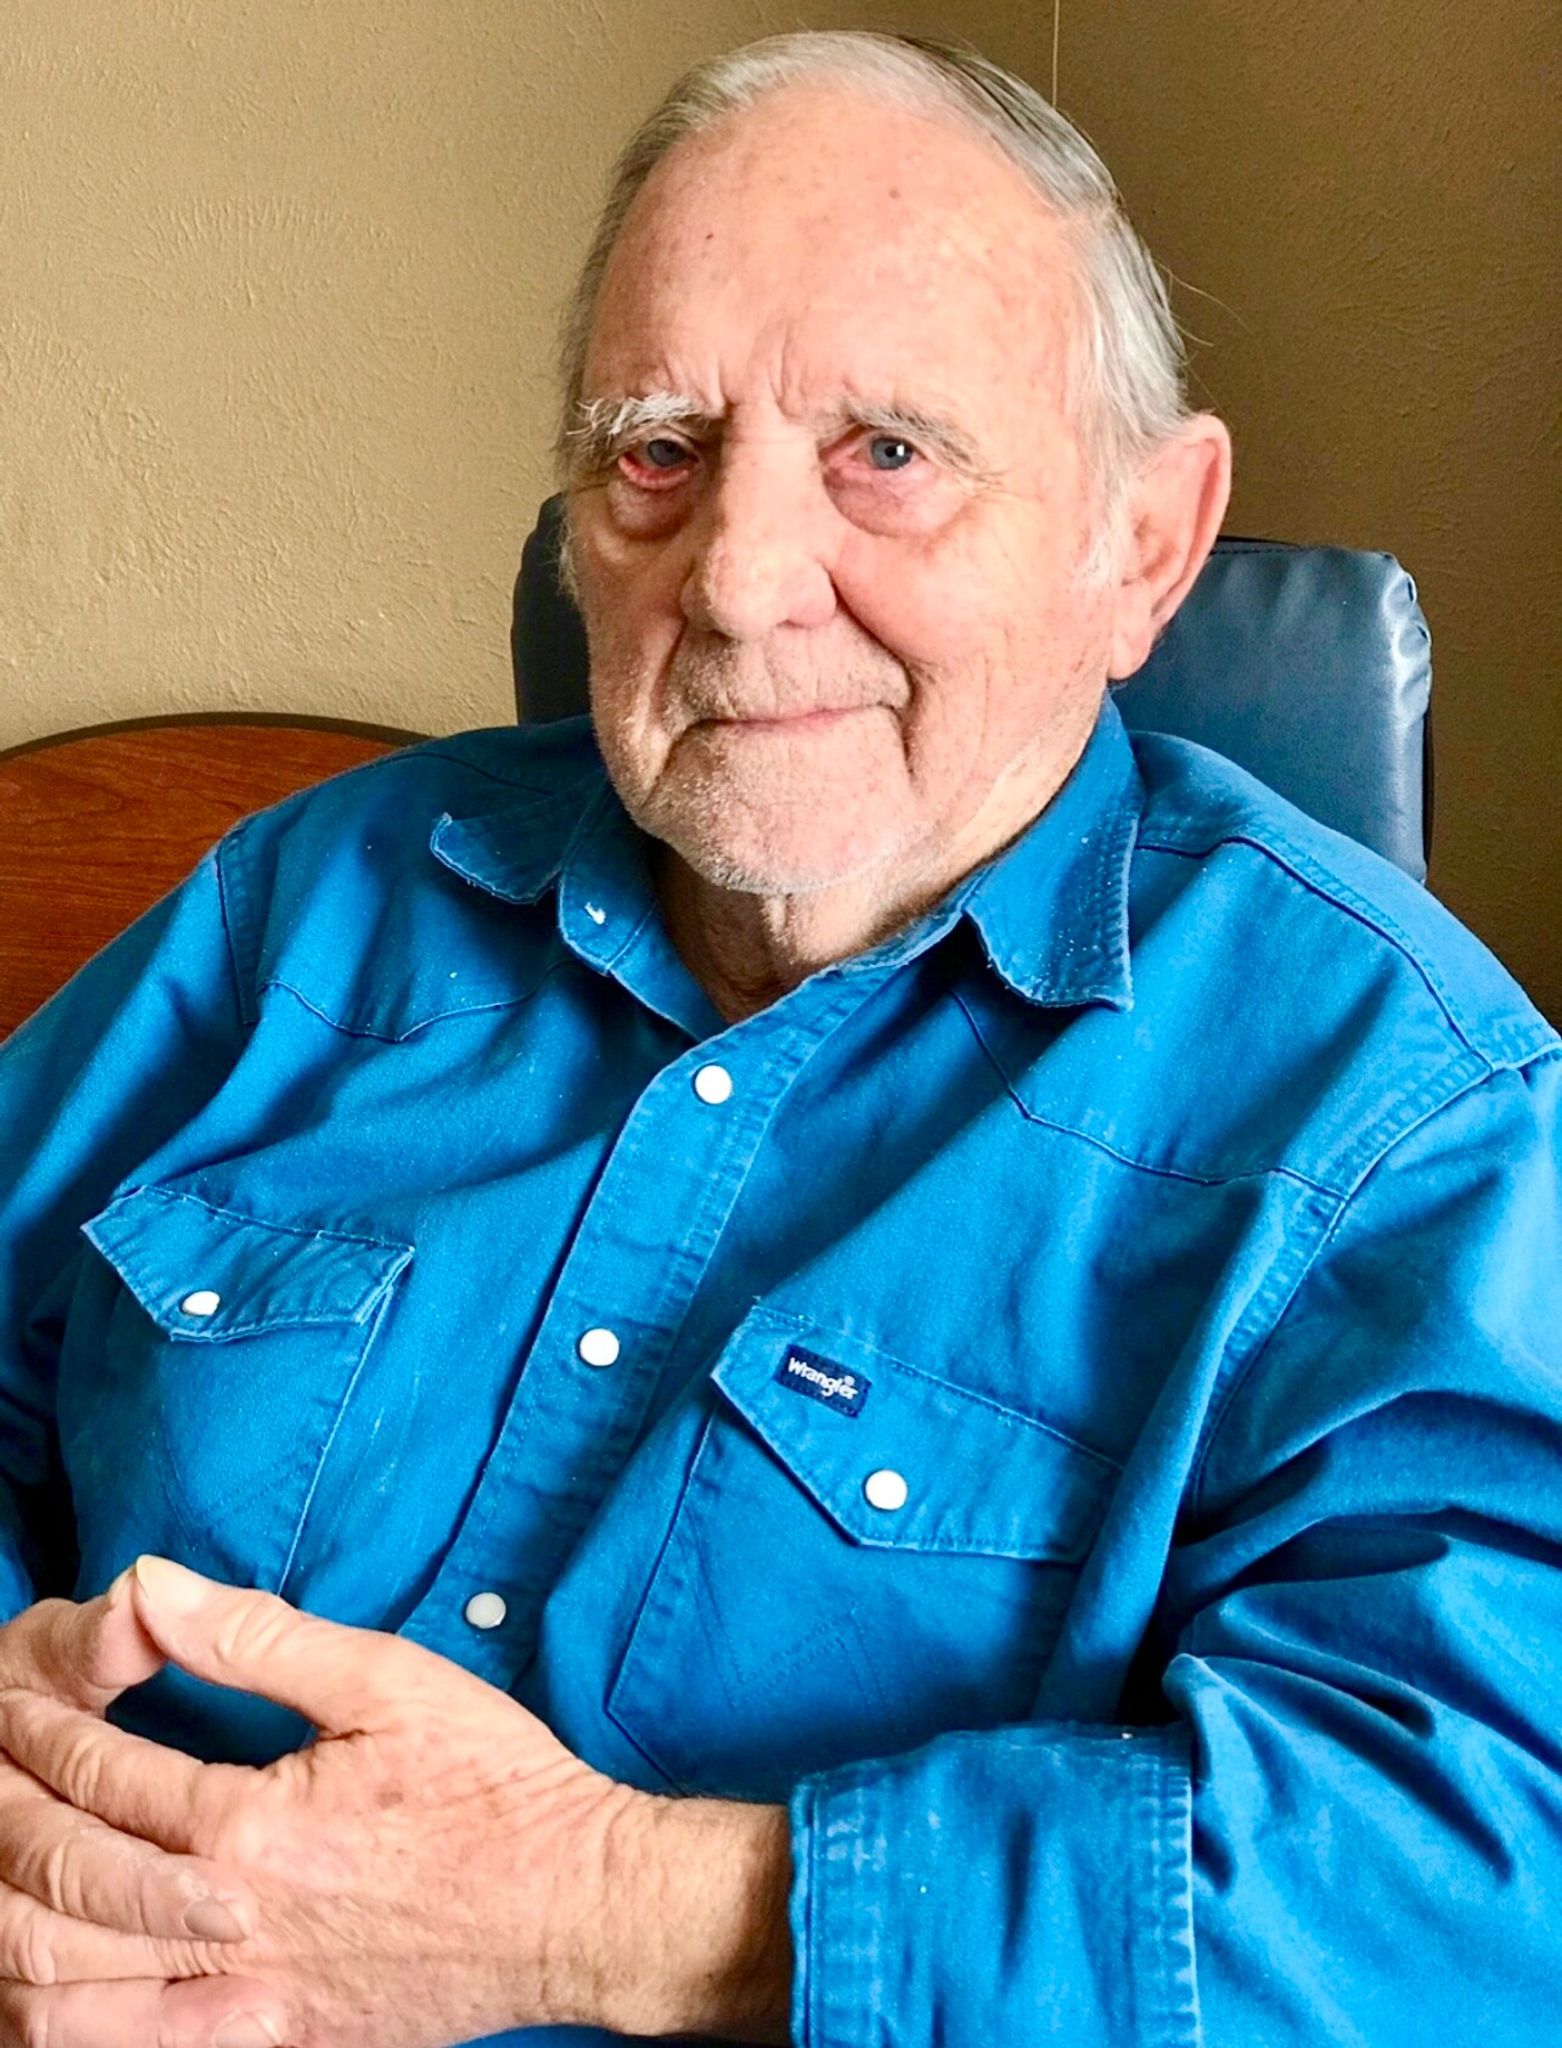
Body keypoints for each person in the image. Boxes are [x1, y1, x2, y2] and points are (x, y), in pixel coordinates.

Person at [0, 28, 1556, 2048]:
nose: (734, 582)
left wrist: (593, 1914)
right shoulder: (310, 908)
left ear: (1144, 542)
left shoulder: (1400, 1113)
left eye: (885, 453)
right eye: (656, 451)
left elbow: (1472, 1889)